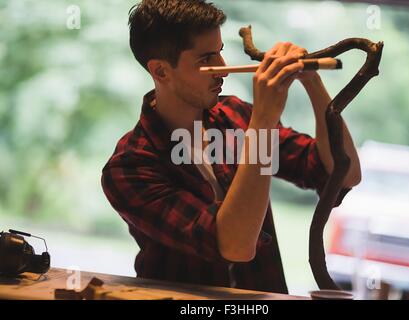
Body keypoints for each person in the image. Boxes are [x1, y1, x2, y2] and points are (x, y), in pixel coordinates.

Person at [101, 0, 361, 294]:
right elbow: (234, 244)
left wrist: (311, 80)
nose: (223, 69)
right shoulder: (130, 167)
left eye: (221, 51)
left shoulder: (235, 116)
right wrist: (263, 122)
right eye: (206, 59)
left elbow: (345, 172)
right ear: (161, 71)